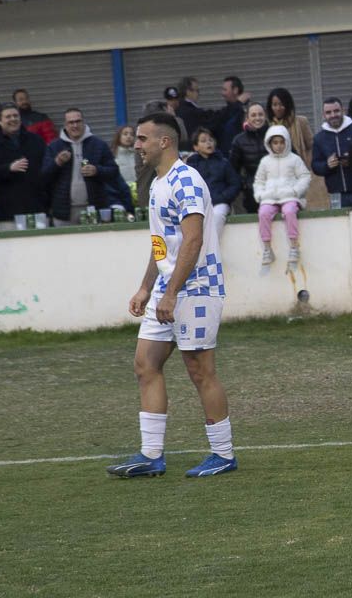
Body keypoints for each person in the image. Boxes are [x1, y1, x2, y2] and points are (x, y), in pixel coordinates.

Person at [106, 112, 235, 479]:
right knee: (145, 364)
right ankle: (151, 456)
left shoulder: (186, 180)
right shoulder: (158, 182)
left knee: (199, 370)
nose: (137, 144)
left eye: (143, 138)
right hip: (168, 288)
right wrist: (147, 287)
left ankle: (223, 454)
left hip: (197, 287)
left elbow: (193, 241)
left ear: (165, 141)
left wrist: (171, 292)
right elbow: (162, 244)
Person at [42, 108, 119, 226]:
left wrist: (97, 170)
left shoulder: (98, 144)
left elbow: (114, 171)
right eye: (71, 122)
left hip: (93, 208)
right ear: (65, 125)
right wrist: (57, 162)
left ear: (83, 122)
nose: (75, 125)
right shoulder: (54, 146)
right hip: (64, 211)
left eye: (78, 121)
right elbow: (44, 176)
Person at [253, 125, 311, 267]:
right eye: (275, 142)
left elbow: (305, 176)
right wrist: (260, 195)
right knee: (263, 213)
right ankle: (267, 249)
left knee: (289, 211)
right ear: (269, 143)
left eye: (281, 142)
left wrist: (295, 191)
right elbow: (259, 181)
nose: (278, 146)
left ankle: (294, 246)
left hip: (289, 196)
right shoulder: (265, 161)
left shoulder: (294, 159)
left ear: (287, 142)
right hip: (270, 197)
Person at [0, 104, 48, 228]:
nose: (13, 119)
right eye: (8, 117)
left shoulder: (36, 140)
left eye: (16, 115)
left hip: (37, 209)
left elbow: (46, 170)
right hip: (8, 213)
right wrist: (8, 168)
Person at [267, 87, 325, 211]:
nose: (278, 108)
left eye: (281, 104)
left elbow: (311, 146)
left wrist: (307, 166)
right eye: (275, 104)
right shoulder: (267, 126)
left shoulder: (301, 122)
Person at [311, 97, 352, 210]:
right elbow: (315, 165)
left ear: (343, 110)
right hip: (336, 194)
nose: (333, 115)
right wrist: (327, 165)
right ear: (324, 115)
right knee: (339, 227)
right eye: (328, 112)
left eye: (336, 111)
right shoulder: (319, 138)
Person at [186, 128, 241, 239]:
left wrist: (222, 197)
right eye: (203, 140)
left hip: (220, 203)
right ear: (195, 147)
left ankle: (210, 249)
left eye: (210, 140)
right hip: (198, 204)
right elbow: (187, 186)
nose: (208, 143)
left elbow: (235, 184)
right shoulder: (191, 165)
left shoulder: (223, 162)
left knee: (217, 215)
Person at [174, 76, 247, 155]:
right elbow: (215, 120)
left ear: (235, 90)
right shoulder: (188, 111)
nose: (222, 93)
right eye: (197, 90)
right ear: (188, 92)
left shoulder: (245, 110)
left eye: (225, 90)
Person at [229, 103, 268, 213]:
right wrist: (244, 184)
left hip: (275, 188)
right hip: (252, 191)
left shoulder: (275, 135)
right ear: (247, 118)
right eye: (253, 115)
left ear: (265, 116)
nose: (257, 118)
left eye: (260, 114)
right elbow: (232, 169)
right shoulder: (239, 140)